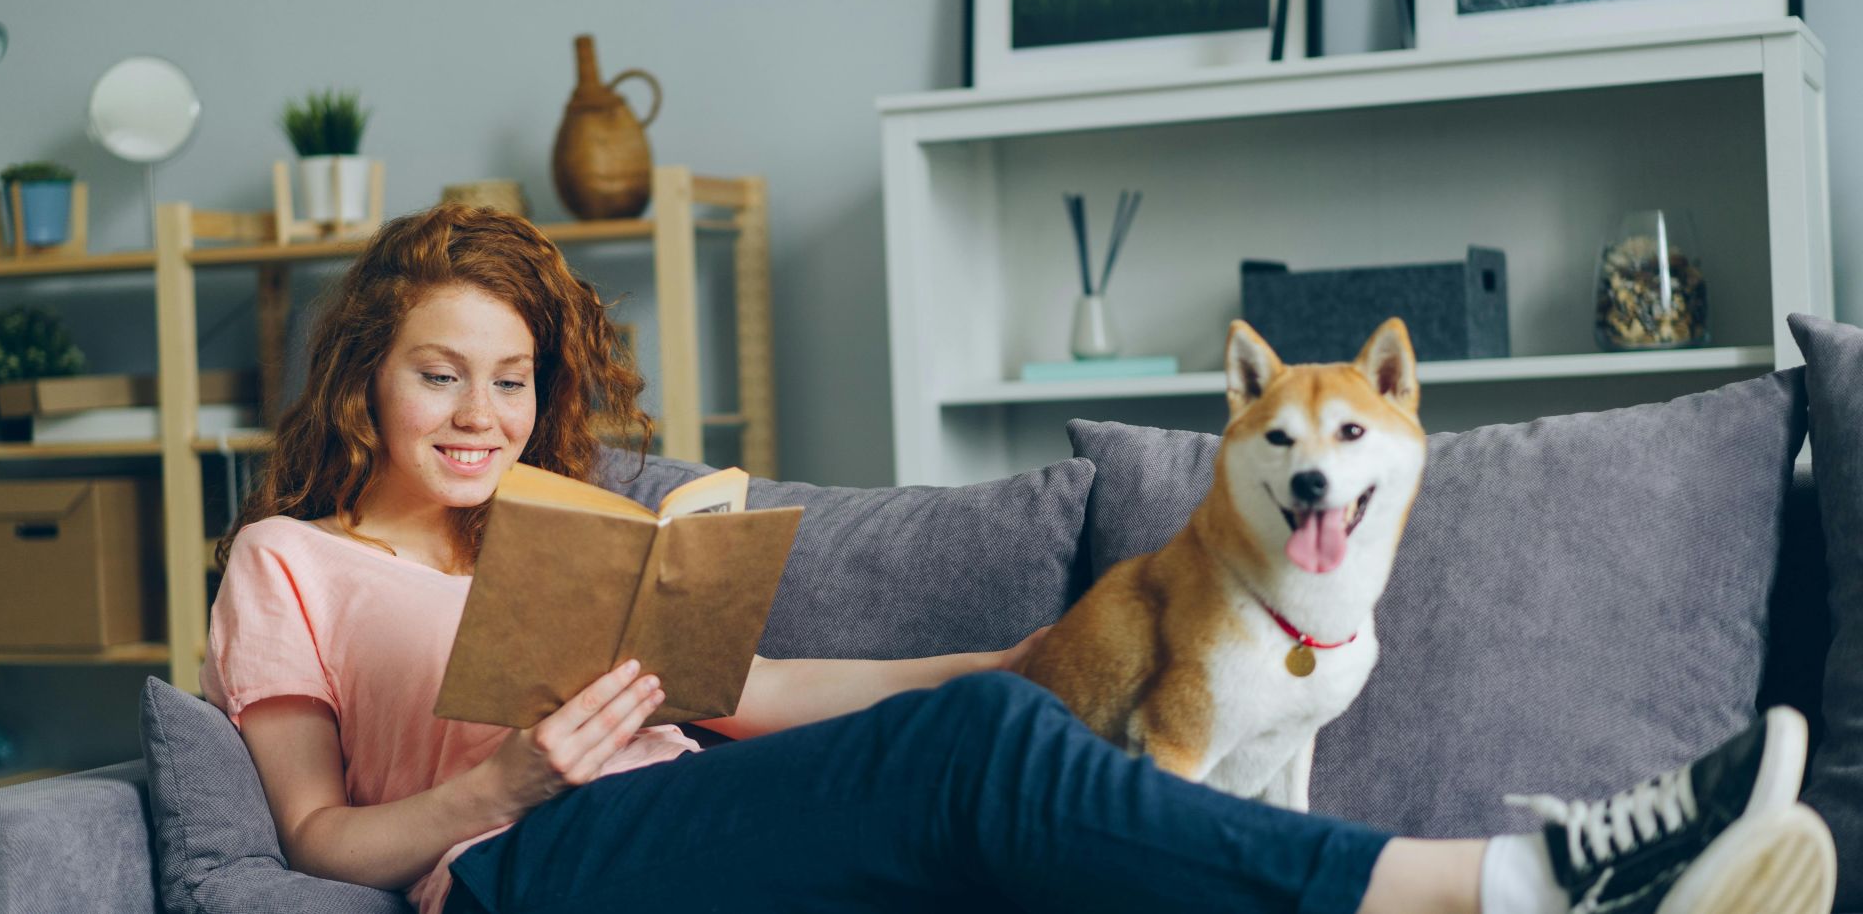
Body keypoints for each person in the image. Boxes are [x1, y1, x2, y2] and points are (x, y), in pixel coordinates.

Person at [204, 204, 1836, 914]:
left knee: (1008, 737)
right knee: (989, 754)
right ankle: (1522, 878)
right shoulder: (290, 557)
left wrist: (993, 659)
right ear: (366, 379)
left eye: (515, 377)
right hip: (518, 870)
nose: (485, 412)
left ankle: (1601, 876)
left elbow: (754, 688)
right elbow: (318, 837)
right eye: (442, 373)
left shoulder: (579, 526)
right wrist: (509, 784)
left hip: (682, 813)